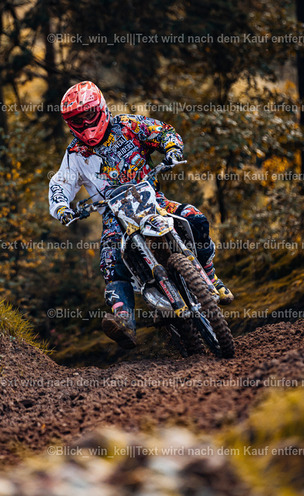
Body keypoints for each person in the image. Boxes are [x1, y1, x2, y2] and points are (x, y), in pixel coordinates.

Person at [48, 81, 234, 349]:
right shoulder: (75, 154)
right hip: (115, 218)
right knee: (110, 262)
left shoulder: (128, 126)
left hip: (153, 201)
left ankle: (210, 275)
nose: (85, 123)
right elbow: (60, 184)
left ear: (100, 108)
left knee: (195, 218)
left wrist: (171, 148)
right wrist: (62, 208)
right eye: (78, 119)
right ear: (70, 123)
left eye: (89, 115)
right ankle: (124, 320)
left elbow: (162, 131)